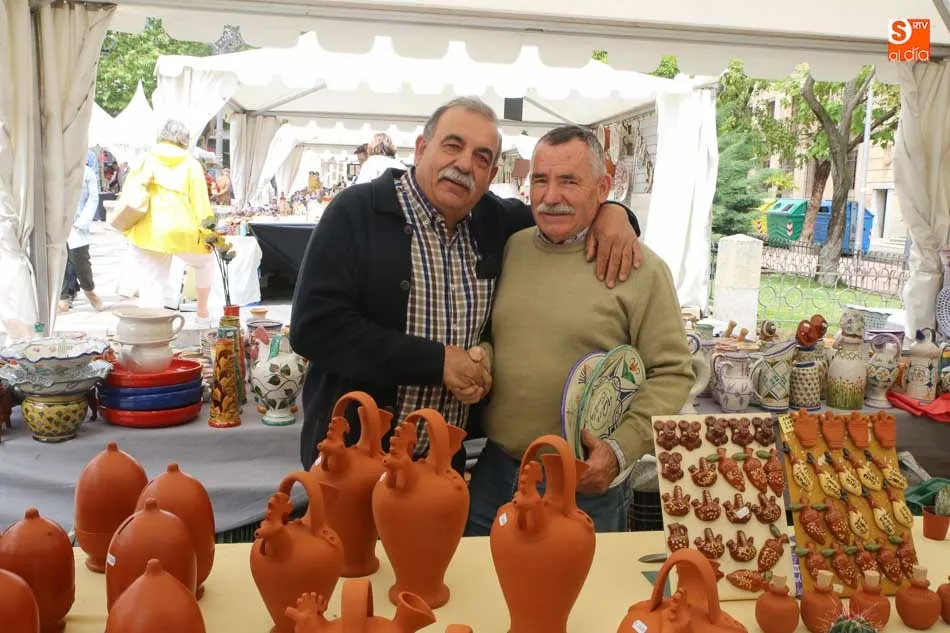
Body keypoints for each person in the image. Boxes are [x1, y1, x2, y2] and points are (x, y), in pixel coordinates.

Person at [289, 96, 643, 472]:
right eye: (452, 146)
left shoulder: (494, 221)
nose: (463, 164)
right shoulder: (357, 212)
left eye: (481, 157)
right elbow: (315, 328)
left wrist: (614, 212)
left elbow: (562, 212)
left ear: (491, 175)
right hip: (354, 460)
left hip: (442, 465)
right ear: (421, 149)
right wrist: (438, 362)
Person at [461, 125, 693, 534]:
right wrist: (484, 359)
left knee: (579, 580)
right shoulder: (513, 248)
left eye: (569, 181)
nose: (551, 197)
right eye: (540, 180)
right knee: (479, 575)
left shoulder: (640, 268)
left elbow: (673, 372)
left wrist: (619, 450)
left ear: (603, 188)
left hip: (583, 482)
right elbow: (508, 335)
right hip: (496, 473)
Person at [122, 119, 216, 328]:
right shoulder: (191, 164)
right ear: (184, 140)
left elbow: (129, 192)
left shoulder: (145, 159)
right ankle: (202, 314)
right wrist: (209, 233)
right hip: (181, 230)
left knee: (151, 286)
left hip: (146, 230)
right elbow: (201, 204)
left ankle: (151, 333)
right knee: (205, 262)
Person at [59, 149, 105, 313]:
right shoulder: (56, 170)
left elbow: (93, 199)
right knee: (60, 261)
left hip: (78, 223)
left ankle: (89, 289)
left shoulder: (87, 173)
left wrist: (81, 222)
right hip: (58, 223)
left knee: (81, 260)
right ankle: (63, 297)